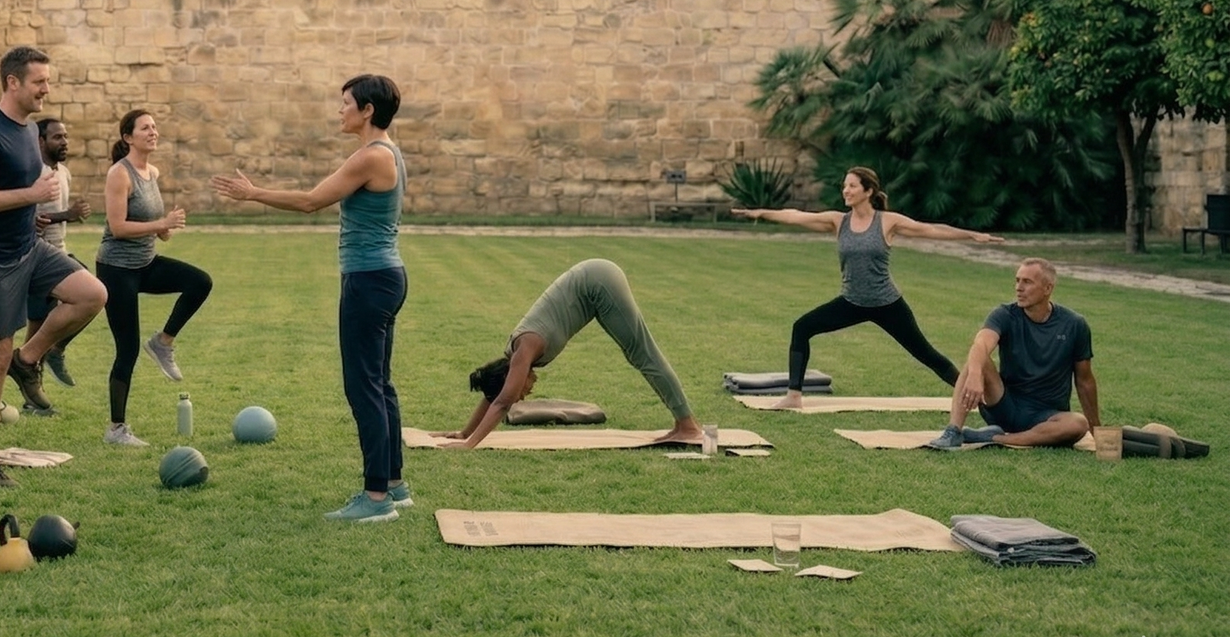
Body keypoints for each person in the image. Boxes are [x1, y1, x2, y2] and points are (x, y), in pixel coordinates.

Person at [211, 74, 410, 523]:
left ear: (367, 111)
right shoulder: (387, 152)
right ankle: (394, 485)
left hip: (368, 280)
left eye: (345, 104)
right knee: (380, 383)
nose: (339, 111)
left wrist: (253, 192)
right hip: (384, 276)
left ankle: (376, 498)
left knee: (365, 389)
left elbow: (309, 201)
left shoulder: (371, 157)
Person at [0, 46, 108, 488]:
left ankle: (31, 357)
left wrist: (32, 207)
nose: (47, 89)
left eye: (47, 81)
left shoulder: (26, 131)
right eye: (39, 81)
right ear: (13, 82)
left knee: (91, 294)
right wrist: (30, 197)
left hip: (28, 249)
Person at [732, 167, 1003, 409]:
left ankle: (975, 394)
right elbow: (796, 216)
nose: (845, 191)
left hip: (887, 304)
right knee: (802, 327)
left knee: (926, 354)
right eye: (844, 186)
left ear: (868, 191)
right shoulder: (838, 221)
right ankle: (793, 396)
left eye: (851, 186)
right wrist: (762, 213)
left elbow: (930, 229)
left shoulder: (887, 222)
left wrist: (971, 235)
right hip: (851, 302)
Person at [438, 258, 703, 449]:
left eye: (521, 392)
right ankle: (685, 423)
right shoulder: (517, 355)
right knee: (639, 354)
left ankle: (688, 426)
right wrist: (464, 434)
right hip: (594, 280)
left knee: (642, 353)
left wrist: (469, 444)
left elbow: (502, 401)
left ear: (510, 375)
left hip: (598, 283)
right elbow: (494, 396)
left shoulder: (524, 349)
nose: (525, 394)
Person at [96, 109, 211, 447]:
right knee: (126, 349)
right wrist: (160, 224)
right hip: (116, 270)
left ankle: (163, 342)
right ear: (128, 137)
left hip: (145, 264)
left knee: (199, 281)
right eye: (145, 128)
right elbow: (117, 228)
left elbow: (147, 221)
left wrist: (163, 231)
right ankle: (116, 429)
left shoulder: (152, 171)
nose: (153, 132)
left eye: (155, 127)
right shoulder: (120, 173)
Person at [930, 258, 1098, 450]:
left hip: (1045, 416)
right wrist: (976, 375)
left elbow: (1085, 381)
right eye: (1017, 280)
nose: (1019, 287)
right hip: (1004, 405)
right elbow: (982, 343)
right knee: (978, 354)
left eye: (1027, 282)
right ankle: (953, 431)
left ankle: (995, 438)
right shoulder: (1005, 314)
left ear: (1047, 288)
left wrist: (1097, 430)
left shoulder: (1074, 324)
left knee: (1078, 423)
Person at [26, 117, 92, 390]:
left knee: (96, 294)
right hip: (37, 258)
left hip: (60, 253)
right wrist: (69, 214)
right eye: (57, 137)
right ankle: (33, 389)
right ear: (40, 141)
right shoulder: (33, 173)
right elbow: (32, 216)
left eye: (65, 136)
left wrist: (70, 214)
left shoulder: (63, 172)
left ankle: (54, 350)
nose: (64, 142)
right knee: (37, 328)